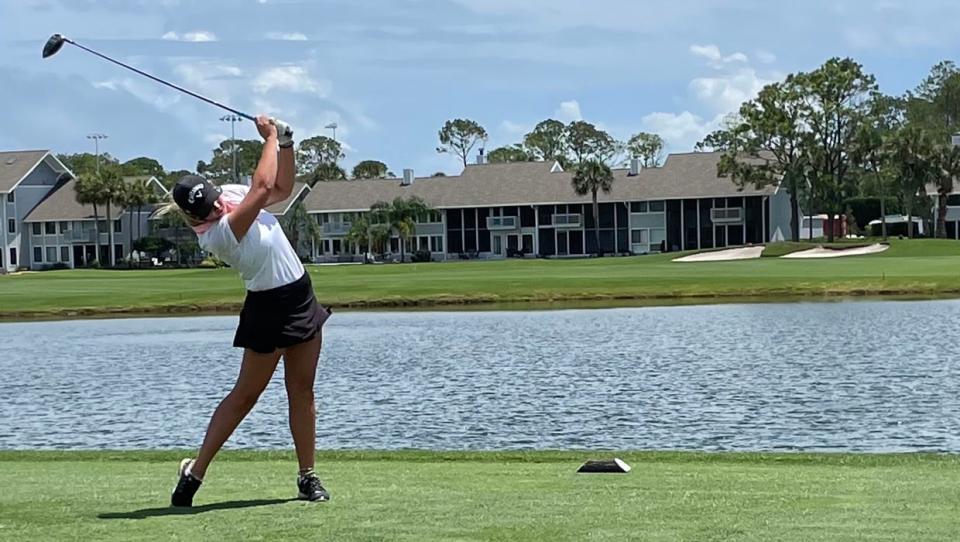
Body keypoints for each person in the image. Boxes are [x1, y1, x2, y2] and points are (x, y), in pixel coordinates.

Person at [167, 115, 331, 507]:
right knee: (245, 396)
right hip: (267, 308)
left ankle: (307, 477)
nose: (218, 205)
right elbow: (260, 188)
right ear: (196, 219)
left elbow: (281, 188)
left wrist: (287, 144)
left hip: (300, 296)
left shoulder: (225, 195)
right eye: (209, 209)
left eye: (214, 198)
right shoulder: (218, 234)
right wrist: (271, 137)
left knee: (302, 392)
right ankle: (194, 474)